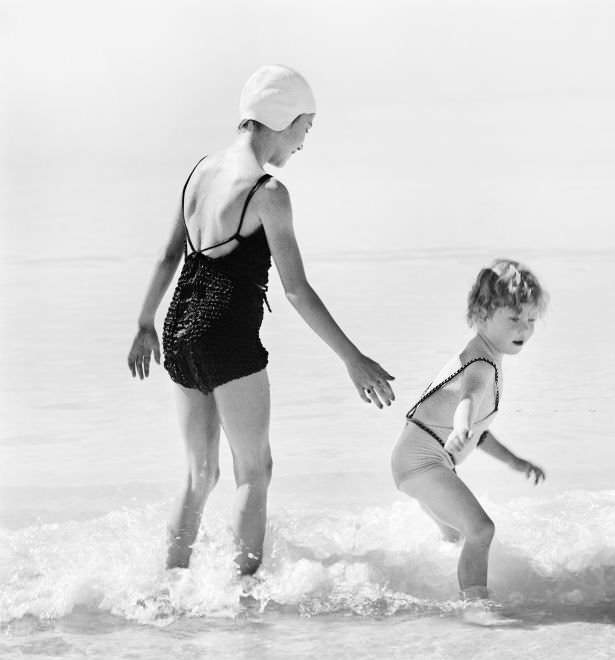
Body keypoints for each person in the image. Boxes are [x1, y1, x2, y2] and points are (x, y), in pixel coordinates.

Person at [127, 65, 395, 576]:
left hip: (178, 329)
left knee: (199, 474)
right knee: (255, 471)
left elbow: (167, 257)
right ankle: (242, 592)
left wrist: (144, 323)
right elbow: (296, 289)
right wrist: (353, 359)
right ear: (283, 119)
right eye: (305, 128)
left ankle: (170, 584)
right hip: (227, 338)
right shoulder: (268, 194)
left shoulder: (199, 171)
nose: (302, 143)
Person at [391, 259, 548, 601]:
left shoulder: (484, 356)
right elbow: (469, 399)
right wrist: (461, 426)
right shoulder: (481, 364)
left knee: (455, 539)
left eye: (531, 320)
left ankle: (421, 588)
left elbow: (479, 432)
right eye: (514, 318)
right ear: (481, 315)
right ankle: (476, 606)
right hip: (423, 463)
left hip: (419, 463)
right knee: (481, 530)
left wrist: (515, 462)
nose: (524, 328)